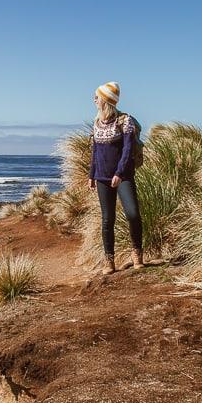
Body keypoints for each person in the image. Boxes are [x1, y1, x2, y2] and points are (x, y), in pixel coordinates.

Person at [88, 81, 143, 275]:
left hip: (123, 176)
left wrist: (119, 173)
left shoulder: (124, 121)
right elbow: (94, 151)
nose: (94, 99)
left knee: (133, 214)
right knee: (107, 220)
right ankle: (109, 261)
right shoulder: (96, 123)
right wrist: (91, 175)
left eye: (97, 96)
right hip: (102, 177)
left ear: (106, 100)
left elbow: (127, 150)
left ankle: (137, 253)